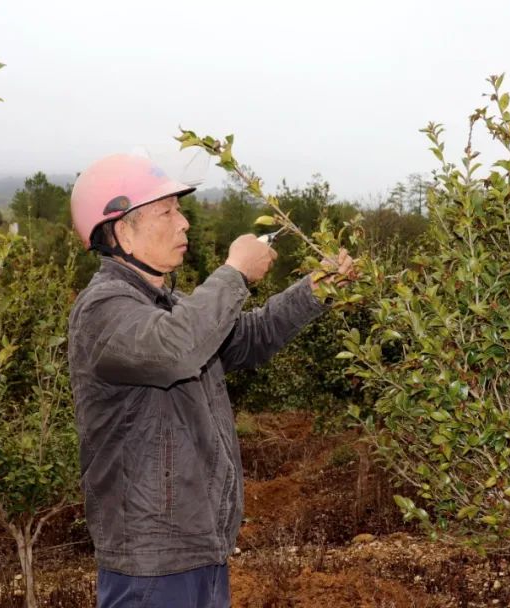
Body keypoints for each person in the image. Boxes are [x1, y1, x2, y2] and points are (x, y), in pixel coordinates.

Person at [66, 153, 354, 608]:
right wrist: (235, 272)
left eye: (180, 210)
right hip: (153, 562)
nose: (183, 224)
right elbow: (175, 350)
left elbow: (249, 338)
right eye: (167, 212)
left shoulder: (171, 307)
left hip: (199, 547)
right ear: (122, 230)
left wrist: (315, 289)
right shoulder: (103, 311)